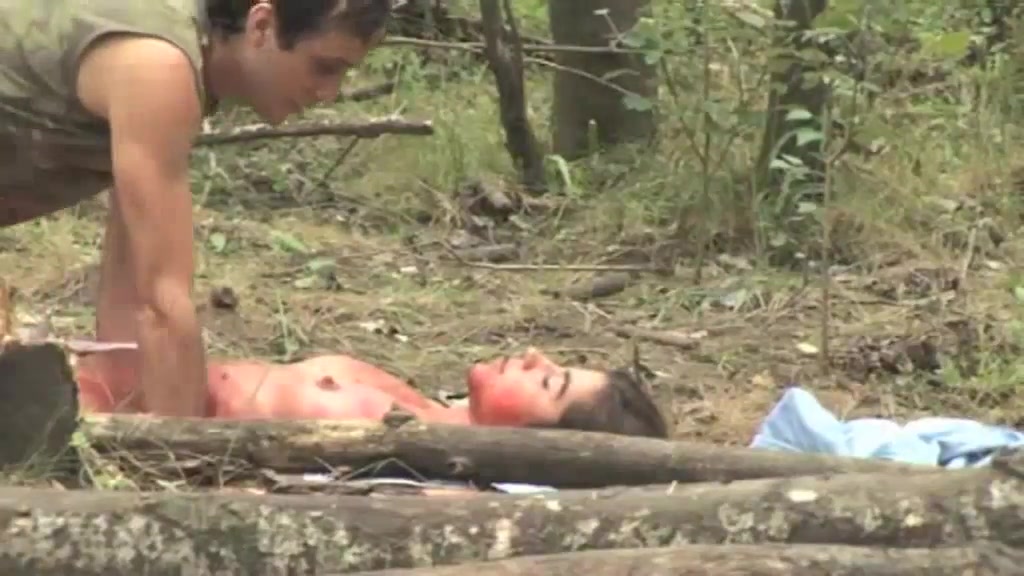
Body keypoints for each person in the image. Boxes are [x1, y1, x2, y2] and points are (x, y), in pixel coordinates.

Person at [0, 0, 391, 417]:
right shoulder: (157, 64)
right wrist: (185, 445)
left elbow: (133, 276)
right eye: (324, 67)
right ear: (261, 25)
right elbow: (163, 304)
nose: (328, 93)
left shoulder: (176, 53)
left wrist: (132, 406)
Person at [75, 347, 671, 438]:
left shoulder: (415, 478)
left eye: (548, 383)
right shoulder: (424, 411)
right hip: (84, 383)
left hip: (80, 428)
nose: (536, 356)